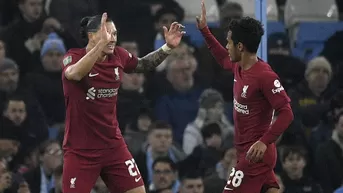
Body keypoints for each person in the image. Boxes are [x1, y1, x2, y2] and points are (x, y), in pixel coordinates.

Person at [61, 13, 184, 193]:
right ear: (91, 36)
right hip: (81, 151)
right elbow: (74, 74)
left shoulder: (118, 55)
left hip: (113, 146)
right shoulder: (73, 56)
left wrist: (167, 48)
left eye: (115, 34)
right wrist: (99, 47)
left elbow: (142, 64)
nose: (112, 39)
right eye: (107, 34)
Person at [196, 1, 294, 193]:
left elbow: (286, 113)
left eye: (229, 42)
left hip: (256, 155)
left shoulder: (265, 76)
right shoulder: (239, 66)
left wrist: (263, 142)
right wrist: (205, 31)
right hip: (246, 153)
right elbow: (223, 58)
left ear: (240, 46)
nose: (226, 45)